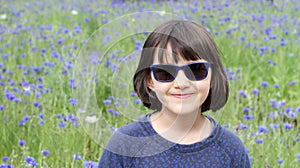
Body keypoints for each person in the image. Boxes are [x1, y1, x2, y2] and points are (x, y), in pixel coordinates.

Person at [99, 20, 251, 168]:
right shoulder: (125, 145)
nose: (181, 83)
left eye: (196, 70)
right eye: (165, 72)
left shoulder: (231, 149)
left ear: (213, 76)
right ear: (149, 80)